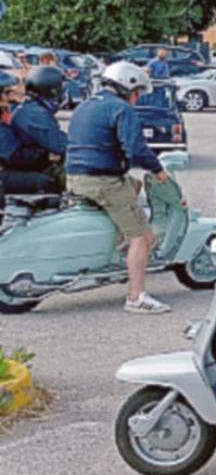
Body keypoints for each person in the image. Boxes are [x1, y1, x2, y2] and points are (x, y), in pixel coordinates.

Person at [63, 61, 172, 314]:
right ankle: (136, 297)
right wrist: (158, 170)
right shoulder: (121, 109)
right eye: (137, 93)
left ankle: (119, 245)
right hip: (103, 181)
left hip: (75, 177)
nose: (136, 99)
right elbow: (135, 148)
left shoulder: (86, 105)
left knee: (132, 185)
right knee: (143, 236)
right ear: (128, 89)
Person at [6, 65, 69, 193]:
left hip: (26, 163)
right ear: (51, 90)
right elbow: (62, 146)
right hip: (30, 167)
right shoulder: (35, 114)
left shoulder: (28, 107)